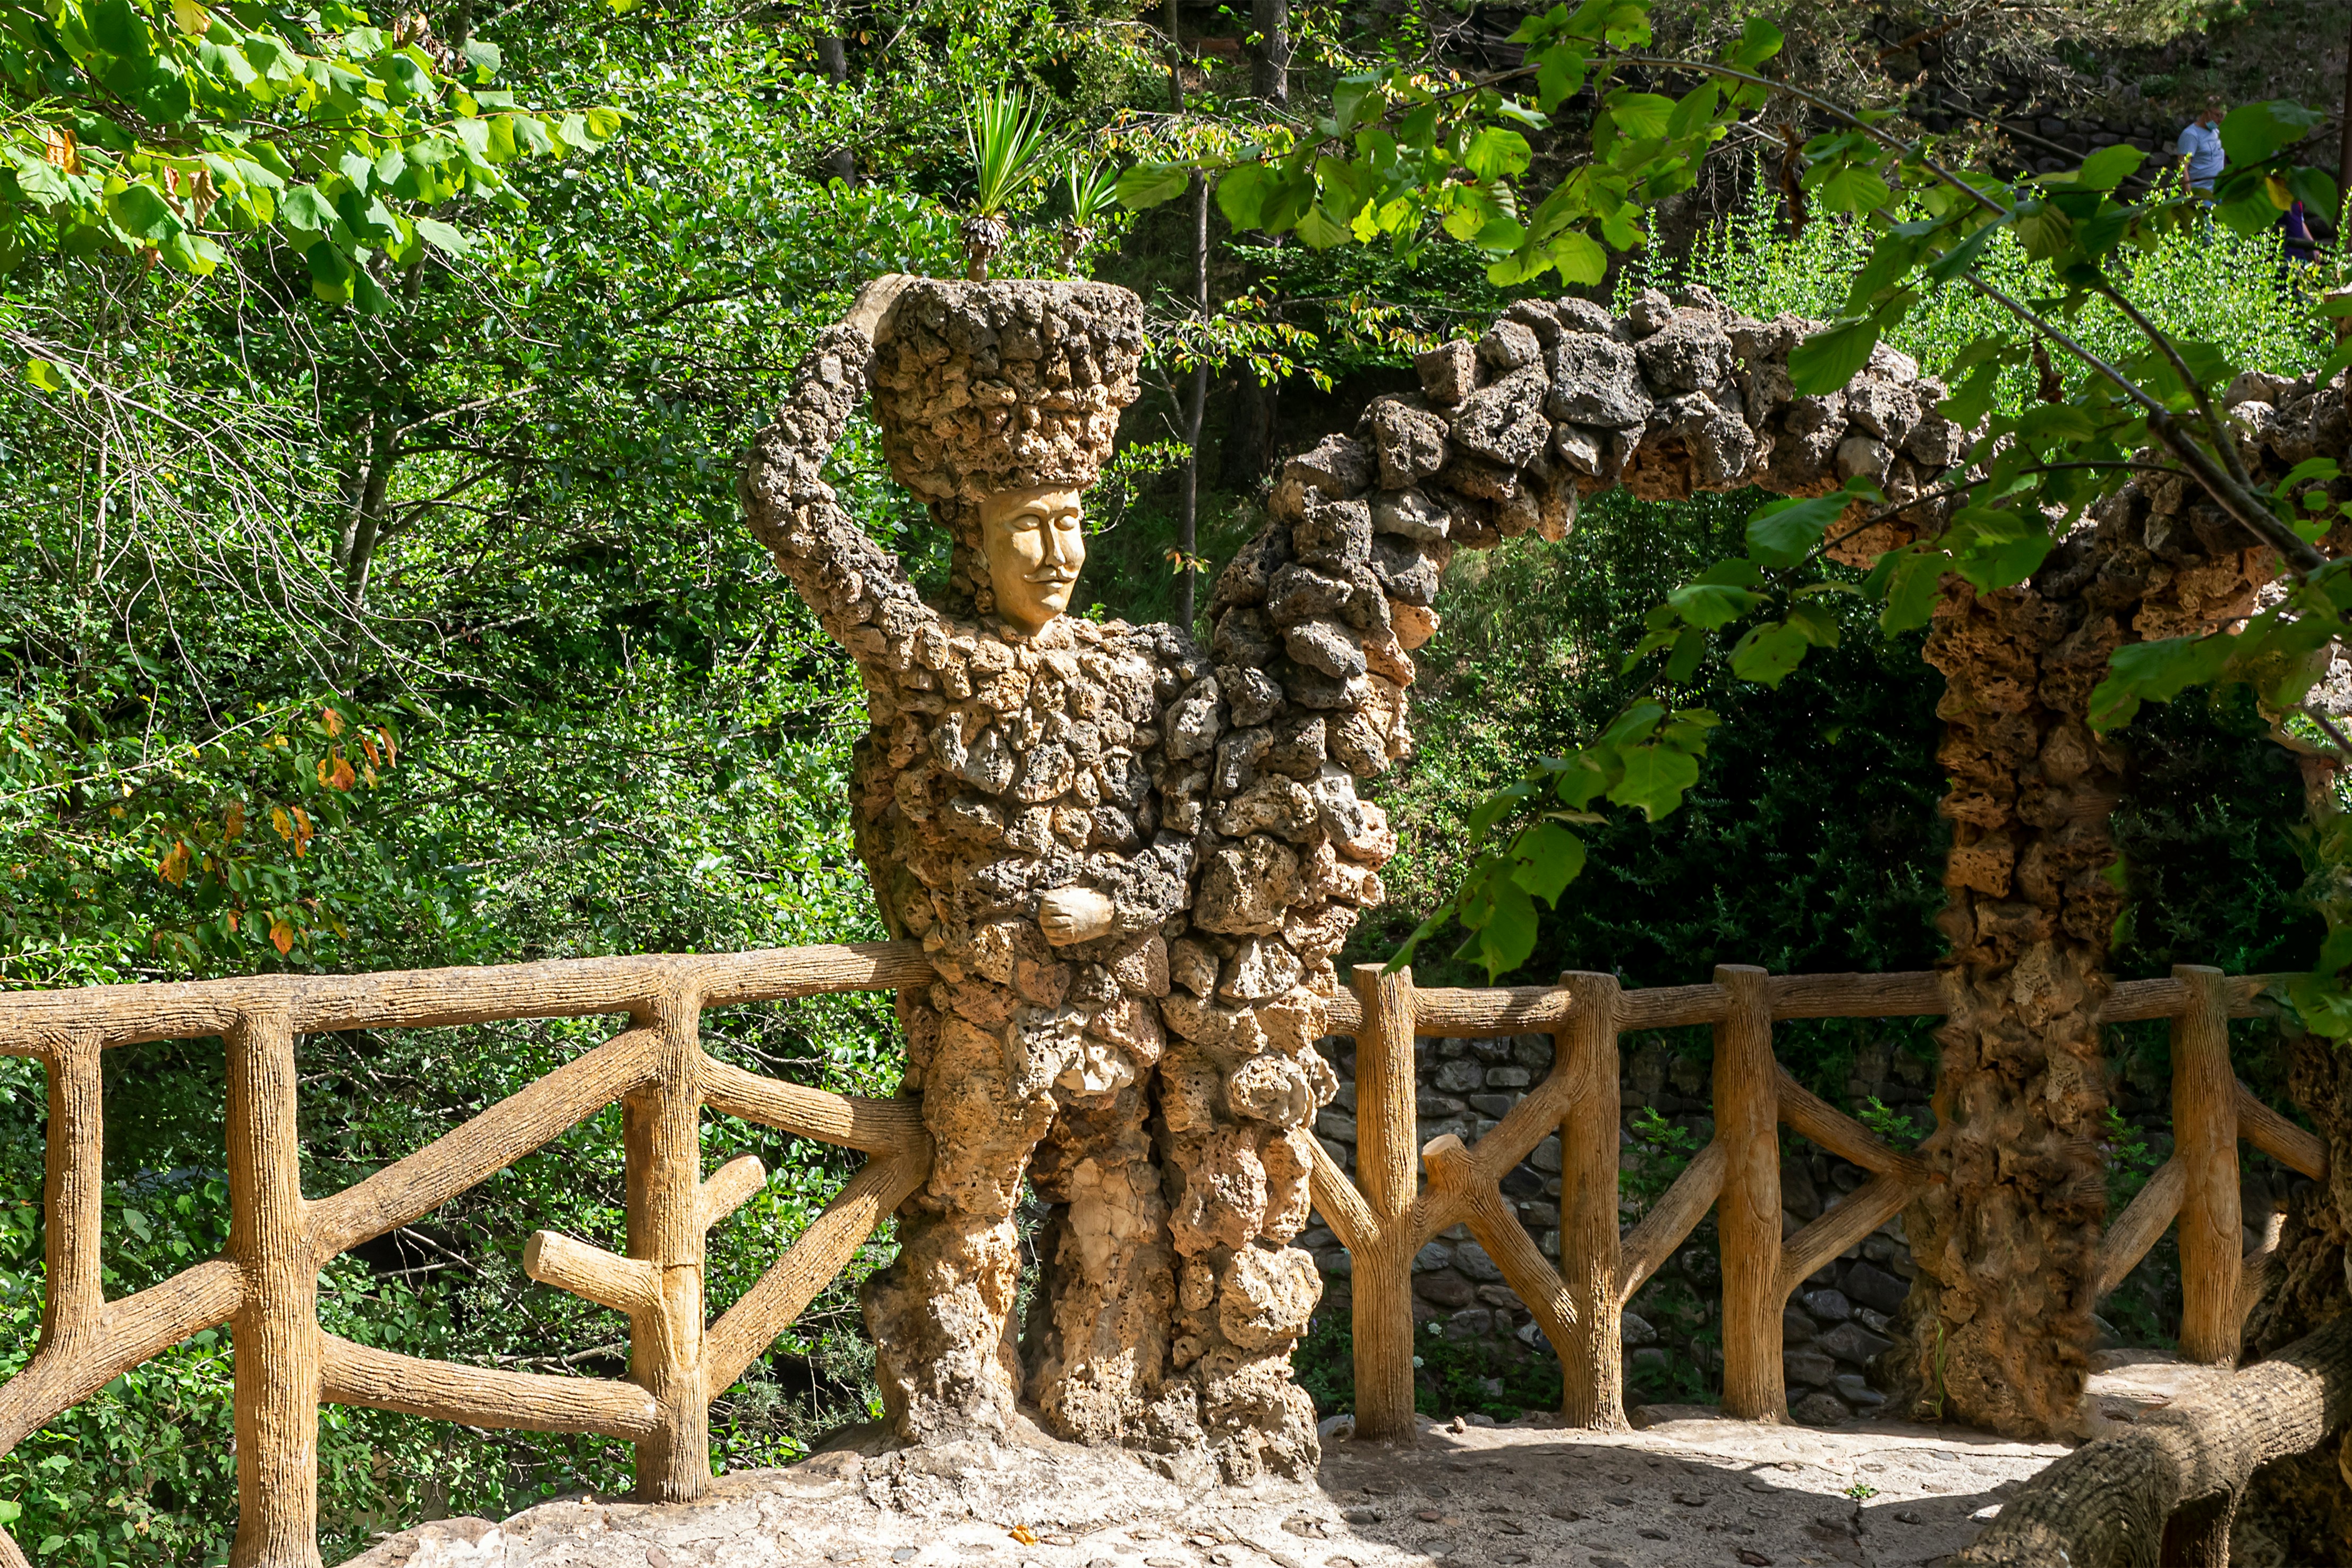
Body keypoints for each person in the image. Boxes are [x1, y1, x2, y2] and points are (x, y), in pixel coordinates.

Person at [2177, 98, 2226, 201]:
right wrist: (2190, 197)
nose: (2220, 120)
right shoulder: (2191, 135)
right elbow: (2183, 168)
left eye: (2223, 116)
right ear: (2206, 113)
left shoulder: (2217, 133)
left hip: (2217, 194)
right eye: (2218, 115)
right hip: (2200, 197)